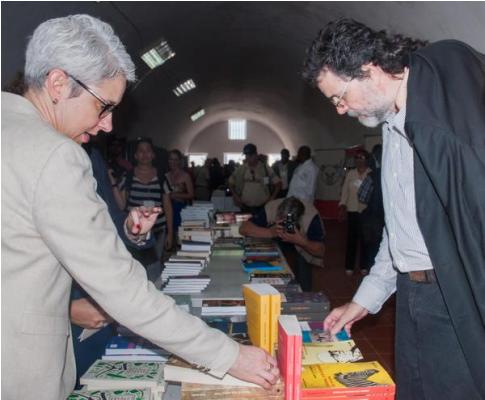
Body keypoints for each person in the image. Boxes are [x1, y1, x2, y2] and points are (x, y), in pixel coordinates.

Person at [1, 14, 278, 400]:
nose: (108, 125)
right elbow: (122, 290)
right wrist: (230, 356)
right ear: (59, 83)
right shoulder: (54, 154)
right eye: (103, 106)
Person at [302, 18, 485, 399]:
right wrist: (363, 301)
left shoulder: (440, 120)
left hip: (454, 296)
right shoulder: (390, 130)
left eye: (339, 97)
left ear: (369, 71)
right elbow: (399, 231)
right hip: (412, 294)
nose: (339, 110)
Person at [240, 196, 325, 292]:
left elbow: (320, 251)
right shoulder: (272, 207)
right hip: (276, 241)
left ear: (299, 219)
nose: (285, 225)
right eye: (281, 220)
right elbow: (243, 228)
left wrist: (300, 241)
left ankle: (303, 295)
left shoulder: (311, 217)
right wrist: (270, 232)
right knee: (270, 262)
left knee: (303, 269)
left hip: (303, 246)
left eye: (288, 222)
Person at [119, 138, 173, 281]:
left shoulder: (161, 177)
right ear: (135, 155)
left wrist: (170, 233)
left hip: (157, 230)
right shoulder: (128, 176)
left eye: (148, 150)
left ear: (153, 155)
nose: (145, 154)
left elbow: (167, 205)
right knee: (135, 268)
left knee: (154, 267)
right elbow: (121, 204)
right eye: (141, 151)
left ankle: (154, 296)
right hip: (135, 233)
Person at [338, 150, 371, 275]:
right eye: (357, 158)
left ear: (366, 159)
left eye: (361, 157)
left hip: (366, 211)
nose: (358, 160)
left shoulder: (370, 173)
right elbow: (345, 190)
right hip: (352, 210)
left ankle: (363, 265)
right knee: (351, 239)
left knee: (365, 239)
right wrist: (342, 206)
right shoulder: (351, 173)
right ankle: (349, 266)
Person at [229, 143, 282, 215]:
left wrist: (272, 198)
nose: (248, 158)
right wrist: (235, 196)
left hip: (263, 207)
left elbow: (278, 184)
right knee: (246, 226)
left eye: (250, 155)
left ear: (256, 154)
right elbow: (230, 182)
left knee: (261, 226)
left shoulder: (265, 168)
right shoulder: (241, 169)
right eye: (246, 155)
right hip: (245, 207)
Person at [358, 145, 384, 273]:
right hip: (389, 219)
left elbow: (362, 196)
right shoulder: (393, 173)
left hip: (374, 219)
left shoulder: (372, 176)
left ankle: (374, 273)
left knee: (373, 248)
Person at [165, 149, 195, 235]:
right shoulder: (165, 175)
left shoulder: (185, 176)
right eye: (171, 159)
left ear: (179, 161)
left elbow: (191, 194)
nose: (173, 162)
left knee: (179, 236)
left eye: (175, 159)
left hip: (180, 209)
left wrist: (174, 195)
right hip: (167, 209)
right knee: (168, 234)